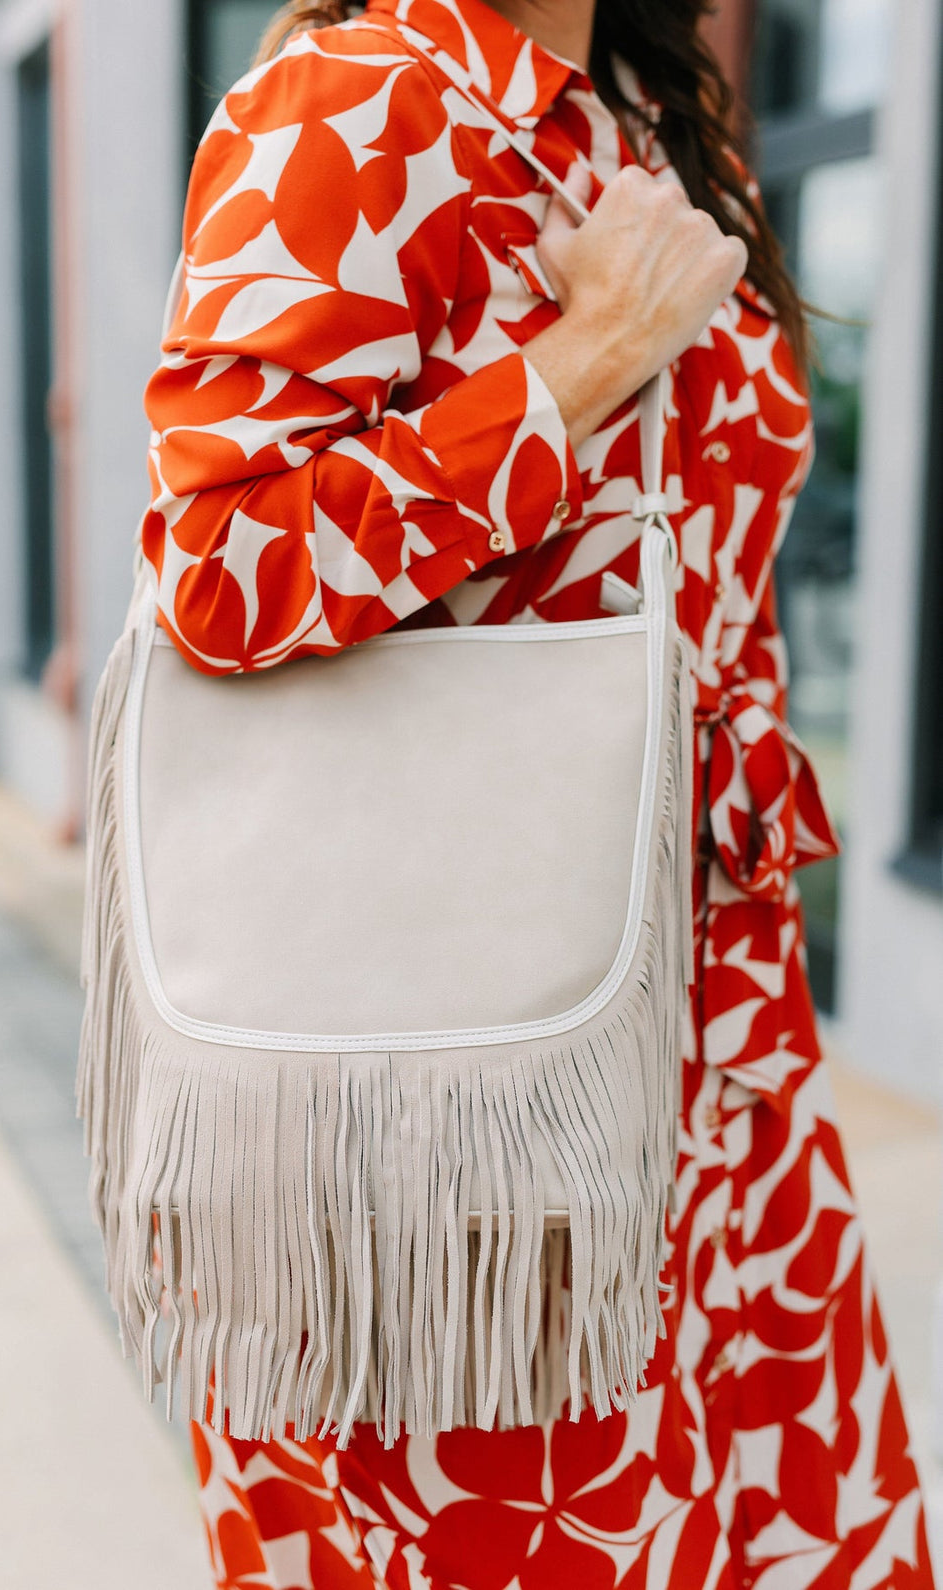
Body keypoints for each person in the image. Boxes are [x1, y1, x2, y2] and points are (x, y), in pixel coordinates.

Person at [137, 0, 938, 1583]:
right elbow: (219, 567)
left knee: (766, 1527)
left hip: (716, 1038)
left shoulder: (651, 114)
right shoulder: (352, 104)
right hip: (461, 1060)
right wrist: (579, 365)